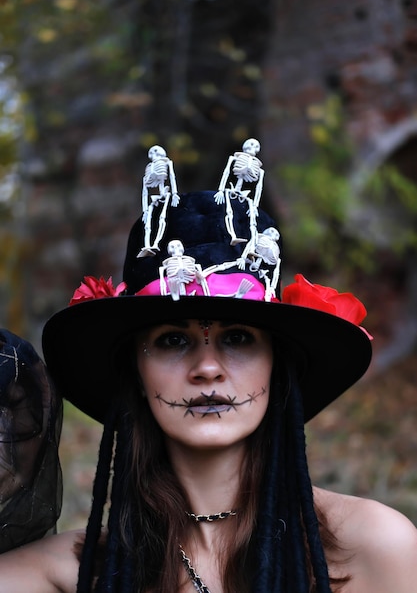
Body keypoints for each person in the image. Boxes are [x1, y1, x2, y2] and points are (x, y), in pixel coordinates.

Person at [0, 154, 416, 592]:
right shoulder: (67, 576)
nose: (208, 368)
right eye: (172, 341)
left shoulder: (373, 550)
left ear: (277, 365)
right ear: (136, 373)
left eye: (238, 338)